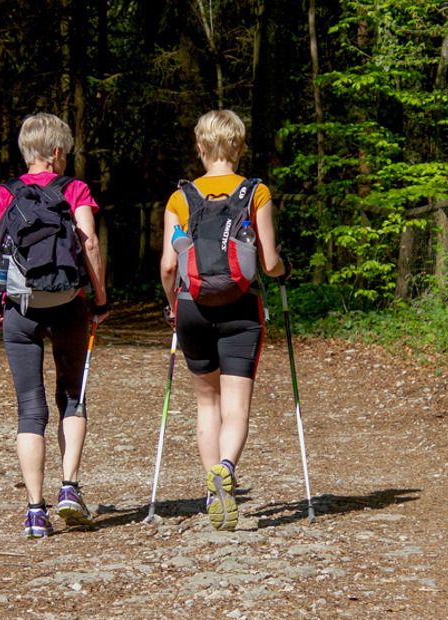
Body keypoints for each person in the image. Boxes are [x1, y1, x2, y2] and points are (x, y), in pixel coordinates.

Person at [160, 109, 291, 531]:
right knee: (236, 407)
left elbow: (168, 265)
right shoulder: (256, 192)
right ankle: (228, 469)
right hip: (240, 308)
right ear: (239, 147)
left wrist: (171, 307)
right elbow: (268, 263)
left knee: (206, 403)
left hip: (191, 306)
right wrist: (285, 269)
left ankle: (212, 485)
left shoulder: (180, 199)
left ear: (199, 149)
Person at [0, 113, 109, 539]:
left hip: (21, 309)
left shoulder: (4, 194)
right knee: (72, 395)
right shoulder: (75, 190)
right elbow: (88, 244)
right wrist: (100, 297)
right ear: (57, 152)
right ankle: (69, 487)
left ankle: (35, 511)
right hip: (68, 304)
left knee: (29, 409)